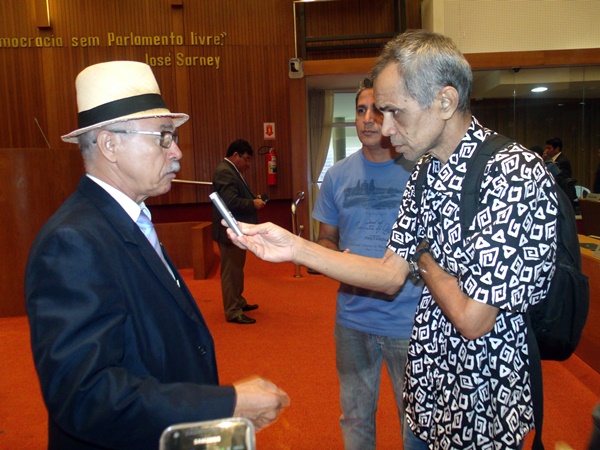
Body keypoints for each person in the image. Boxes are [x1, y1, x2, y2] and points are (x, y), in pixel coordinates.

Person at [224, 30, 558, 449]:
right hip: (427, 387)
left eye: (394, 112)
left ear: (445, 102)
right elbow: (387, 273)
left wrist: (422, 255)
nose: (383, 128)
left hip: (479, 403)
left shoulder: (512, 173)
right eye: (379, 113)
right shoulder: (424, 171)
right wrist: (294, 245)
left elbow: (473, 319)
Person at [25, 61, 289, 450]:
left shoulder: (126, 219)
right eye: (164, 137)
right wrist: (227, 402)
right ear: (109, 144)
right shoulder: (72, 242)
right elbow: (85, 396)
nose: (177, 151)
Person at [312, 77, 421, 449]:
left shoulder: (419, 171)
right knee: (355, 416)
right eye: (361, 110)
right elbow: (326, 238)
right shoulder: (337, 176)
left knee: (416, 426)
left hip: (409, 321)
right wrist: (331, 257)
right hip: (353, 319)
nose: (369, 119)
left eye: (378, 110)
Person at [212, 139, 266, 324]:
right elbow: (230, 202)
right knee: (231, 271)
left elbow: (236, 196)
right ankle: (233, 310)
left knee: (237, 270)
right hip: (229, 231)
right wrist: (252, 203)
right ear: (236, 155)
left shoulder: (232, 170)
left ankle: (238, 301)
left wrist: (253, 198)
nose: (248, 164)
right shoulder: (224, 171)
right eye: (247, 159)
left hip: (237, 230)